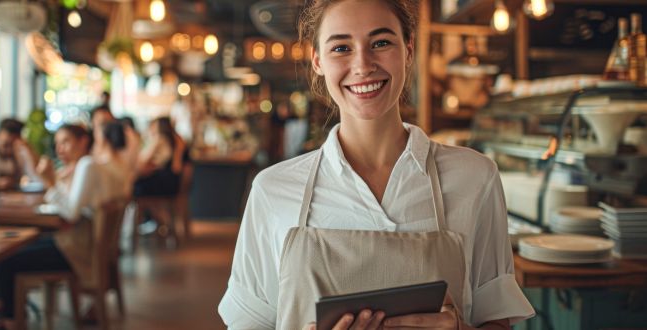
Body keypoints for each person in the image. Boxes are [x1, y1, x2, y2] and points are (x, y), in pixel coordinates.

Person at [218, 0, 535, 329]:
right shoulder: (273, 191)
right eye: (341, 47)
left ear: (408, 49)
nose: (363, 65)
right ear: (317, 61)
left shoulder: (475, 178)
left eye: (381, 43)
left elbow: (496, 320)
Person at [0, 121, 130, 327]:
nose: (60, 149)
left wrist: (50, 183)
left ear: (84, 141)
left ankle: (9, 322)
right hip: (79, 245)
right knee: (17, 249)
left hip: (76, 251)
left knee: (5, 257)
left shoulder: (87, 165)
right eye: (57, 143)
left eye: (65, 142)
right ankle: (10, 317)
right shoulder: (85, 165)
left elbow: (71, 213)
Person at [133, 116, 184, 197]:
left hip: (159, 180)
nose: (150, 128)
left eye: (153, 126)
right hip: (171, 179)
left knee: (135, 183)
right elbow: (176, 167)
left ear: (160, 127)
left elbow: (142, 160)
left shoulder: (159, 138)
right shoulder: (177, 139)